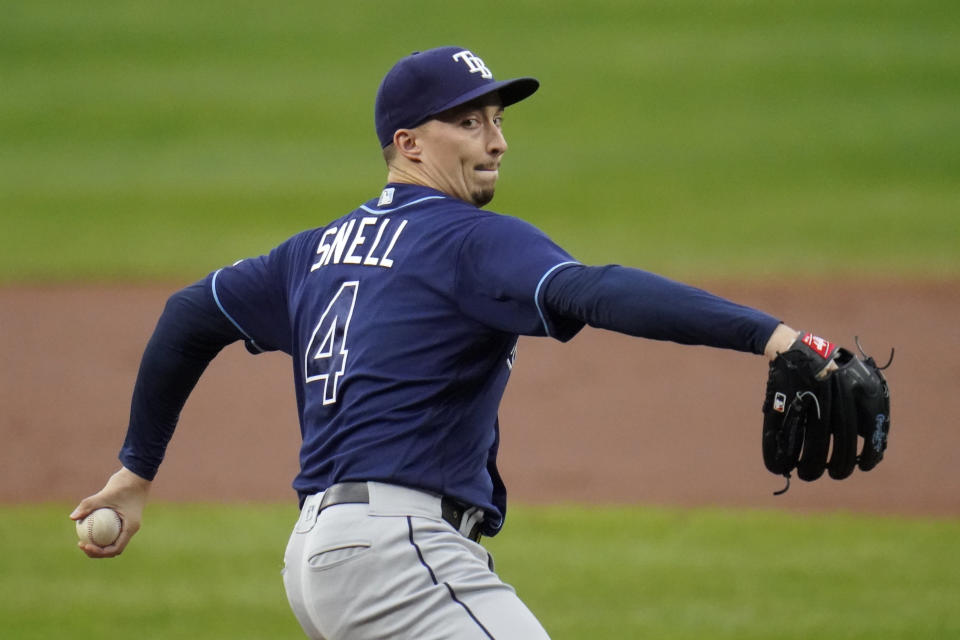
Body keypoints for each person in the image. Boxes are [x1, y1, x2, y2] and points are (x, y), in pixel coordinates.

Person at [71, 46, 812, 639]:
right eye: (471, 123)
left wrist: (135, 472)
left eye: (495, 120)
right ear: (409, 143)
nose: (498, 141)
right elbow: (594, 290)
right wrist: (772, 336)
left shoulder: (313, 251)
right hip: (398, 557)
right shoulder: (466, 241)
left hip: (317, 561)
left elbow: (189, 314)